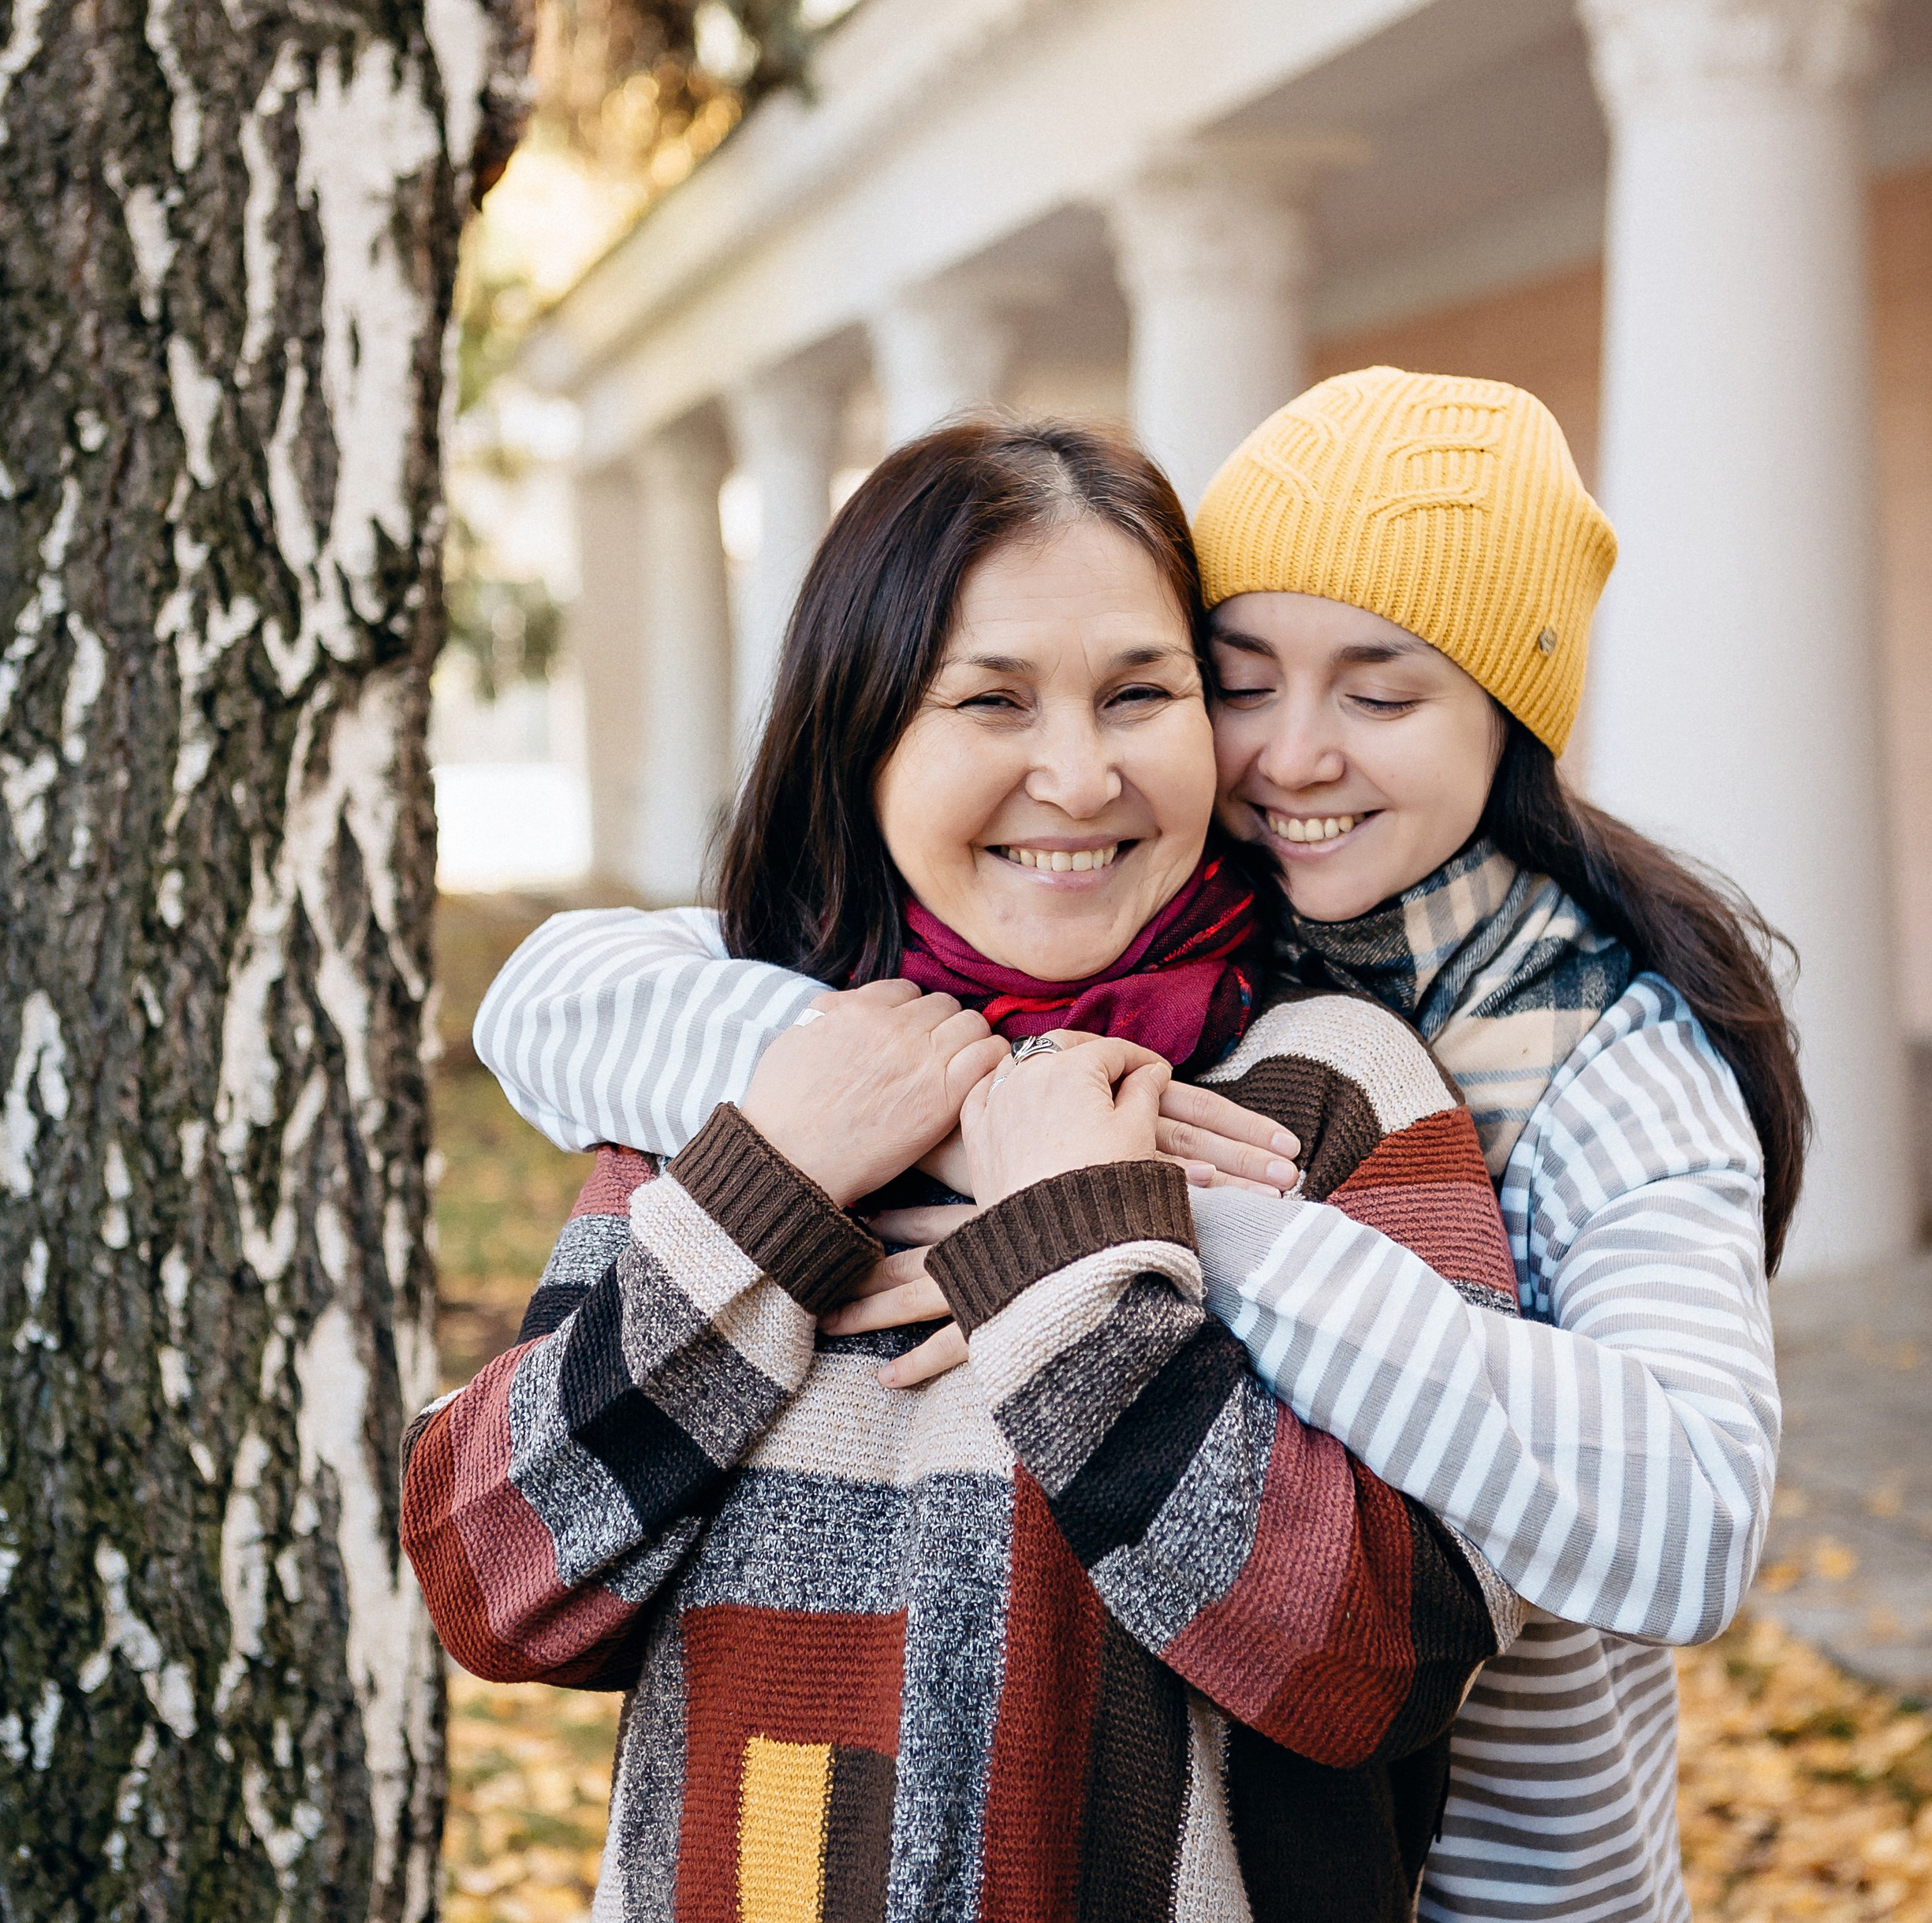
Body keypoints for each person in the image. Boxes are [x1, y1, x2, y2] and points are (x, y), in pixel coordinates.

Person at [472, 371, 1792, 1921]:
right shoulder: (783, 1044)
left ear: (1507, 722)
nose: (1287, 757)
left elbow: (1577, 1564)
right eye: (1239, 682)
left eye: (1379, 693)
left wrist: (1118, 1219)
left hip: (1522, 1879)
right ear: (862, 727)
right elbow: (547, 1006)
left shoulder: (1490, 1063)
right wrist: (891, 1112)